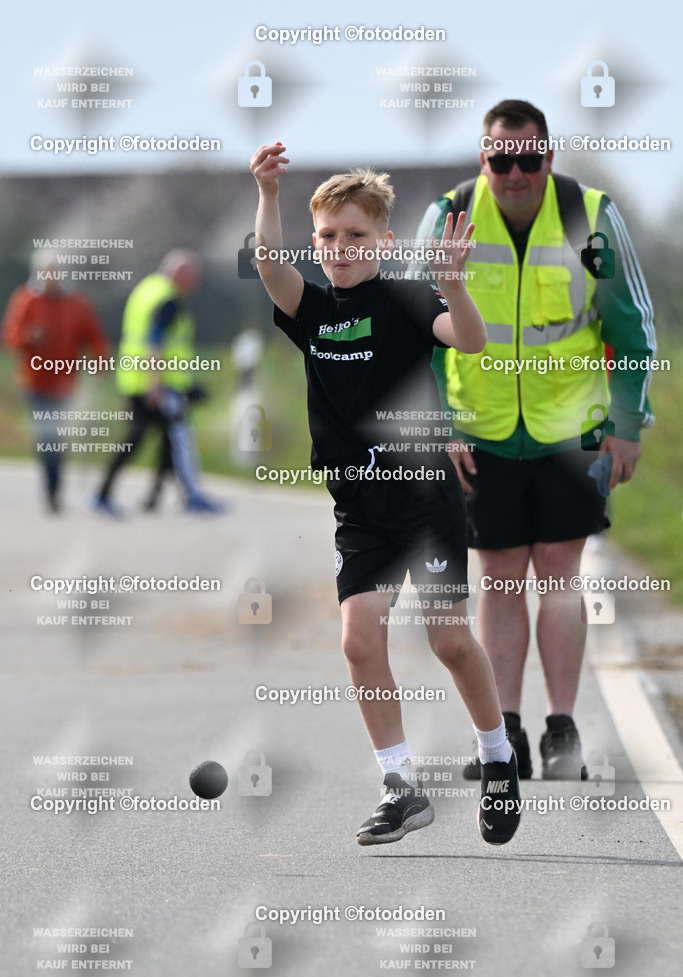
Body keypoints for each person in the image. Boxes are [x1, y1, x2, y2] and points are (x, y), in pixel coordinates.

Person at [250, 141, 522, 847]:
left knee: (449, 641)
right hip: (359, 510)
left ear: (384, 240)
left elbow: (469, 343)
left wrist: (455, 286)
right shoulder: (309, 309)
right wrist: (270, 194)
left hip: (424, 502)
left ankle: (497, 757)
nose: (340, 247)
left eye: (355, 235)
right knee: (357, 639)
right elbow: (268, 266)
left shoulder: (405, 297)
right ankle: (399, 786)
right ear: (316, 242)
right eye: (329, 236)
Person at [411, 99, 656, 780]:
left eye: (527, 159)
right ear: (481, 156)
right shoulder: (447, 216)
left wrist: (629, 427)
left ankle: (561, 732)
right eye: (499, 158)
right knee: (495, 576)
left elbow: (632, 329)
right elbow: (413, 334)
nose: (513, 173)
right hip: (479, 430)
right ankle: (505, 733)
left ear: (547, 157)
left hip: (571, 430)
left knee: (556, 570)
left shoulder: (589, 213)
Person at [92, 249, 224, 516]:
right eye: (192, 278)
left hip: (134, 379)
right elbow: (156, 342)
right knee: (170, 439)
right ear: (180, 274)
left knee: (162, 440)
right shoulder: (168, 299)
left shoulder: (145, 290)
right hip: (158, 384)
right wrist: (155, 385)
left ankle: (149, 496)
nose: (194, 285)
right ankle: (189, 497)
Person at [1, 252, 110, 512]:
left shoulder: (75, 302)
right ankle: (51, 489)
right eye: (46, 272)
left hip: (66, 382)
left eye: (55, 271)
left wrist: (101, 362)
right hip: (36, 382)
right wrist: (29, 337)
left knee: (58, 439)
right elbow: (10, 336)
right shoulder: (26, 299)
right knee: (46, 436)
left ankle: (55, 487)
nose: (51, 276)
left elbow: (93, 334)